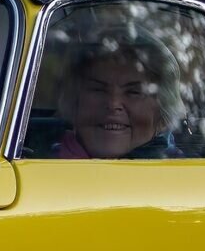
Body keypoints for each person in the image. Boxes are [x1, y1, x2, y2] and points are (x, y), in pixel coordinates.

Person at [51, 28, 182, 159]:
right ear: (74, 102)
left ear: (163, 111)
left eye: (133, 92)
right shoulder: (38, 168)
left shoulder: (187, 174)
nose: (113, 104)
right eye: (98, 89)